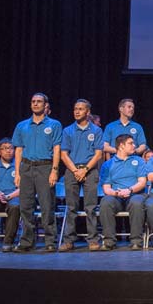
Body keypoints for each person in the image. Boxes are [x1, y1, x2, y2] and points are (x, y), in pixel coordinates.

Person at [11, 93, 62, 252]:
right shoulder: (22, 125)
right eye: (33, 101)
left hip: (45, 167)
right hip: (26, 167)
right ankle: (27, 241)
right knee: (26, 206)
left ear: (45, 105)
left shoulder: (54, 125)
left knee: (47, 205)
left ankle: (50, 241)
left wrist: (54, 171)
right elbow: (18, 149)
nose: (35, 104)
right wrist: (17, 172)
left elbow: (57, 148)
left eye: (39, 102)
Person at [59, 99, 104, 252]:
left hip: (89, 171)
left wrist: (84, 170)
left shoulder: (96, 131)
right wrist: (75, 170)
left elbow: (98, 154)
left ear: (88, 112)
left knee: (90, 207)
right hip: (72, 171)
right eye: (75, 109)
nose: (77, 111)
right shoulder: (67, 131)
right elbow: (63, 154)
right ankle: (69, 240)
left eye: (80, 109)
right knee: (71, 207)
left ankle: (92, 239)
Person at [98, 134, 147, 250]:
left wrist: (129, 190)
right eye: (130, 143)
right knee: (105, 202)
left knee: (137, 202)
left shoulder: (138, 161)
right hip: (116, 196)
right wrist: (116, 193)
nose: (134, 145)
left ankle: (136, 241)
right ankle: (109, 241)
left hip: (135, 194)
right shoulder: (108, 164)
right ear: (121, 146)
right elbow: (106, 188)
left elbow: (142, 182)